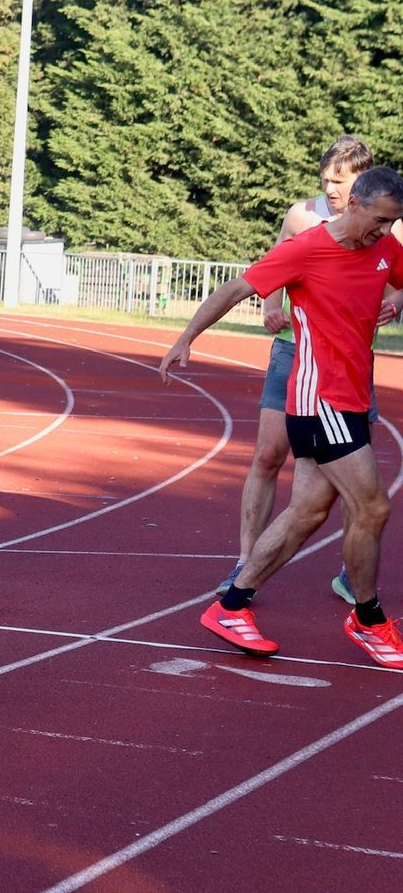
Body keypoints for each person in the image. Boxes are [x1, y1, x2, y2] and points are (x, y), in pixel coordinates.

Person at [161, 165, 403, 667]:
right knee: (373, 507)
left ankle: (231, 607)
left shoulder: (384, 248)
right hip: (320, 400)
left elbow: (401, 278)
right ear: (353, 204)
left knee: (307, 512)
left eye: (392, 222)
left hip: (352, 398)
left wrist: (396, 299)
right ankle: (369, 619)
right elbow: (235, 289)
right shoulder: (306, 249)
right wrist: (186, 338)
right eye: (379, 220)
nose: (384, 231)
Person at [223, 135, 374, 601]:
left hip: (349, 361)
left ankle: (353, 572)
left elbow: (395, 277)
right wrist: (271, 306)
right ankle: (245, 561)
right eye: (325, 179)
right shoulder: (301, 216)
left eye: (340, 181)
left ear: (363, 181)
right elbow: (271, 268)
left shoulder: (385, 223)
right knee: (268, 454)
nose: (329, 188)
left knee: (353, 473)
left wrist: (396, 303)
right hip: (294, 350)